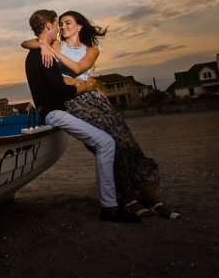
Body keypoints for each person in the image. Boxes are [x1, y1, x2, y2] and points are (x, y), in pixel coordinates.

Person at [22, 11, 184, 220]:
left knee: (127, 145)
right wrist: (87, 83)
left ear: (79, 26)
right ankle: (124, 201)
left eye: (67, 22)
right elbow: (31, 47)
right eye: (59, 23)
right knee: (110, 146)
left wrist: (91, 85)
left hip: (93, 100)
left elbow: (79, 68)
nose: (62, 27)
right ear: (50, 26)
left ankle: (145, 198)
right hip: (74, 104)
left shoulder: (87, 50)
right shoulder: (51, 48)